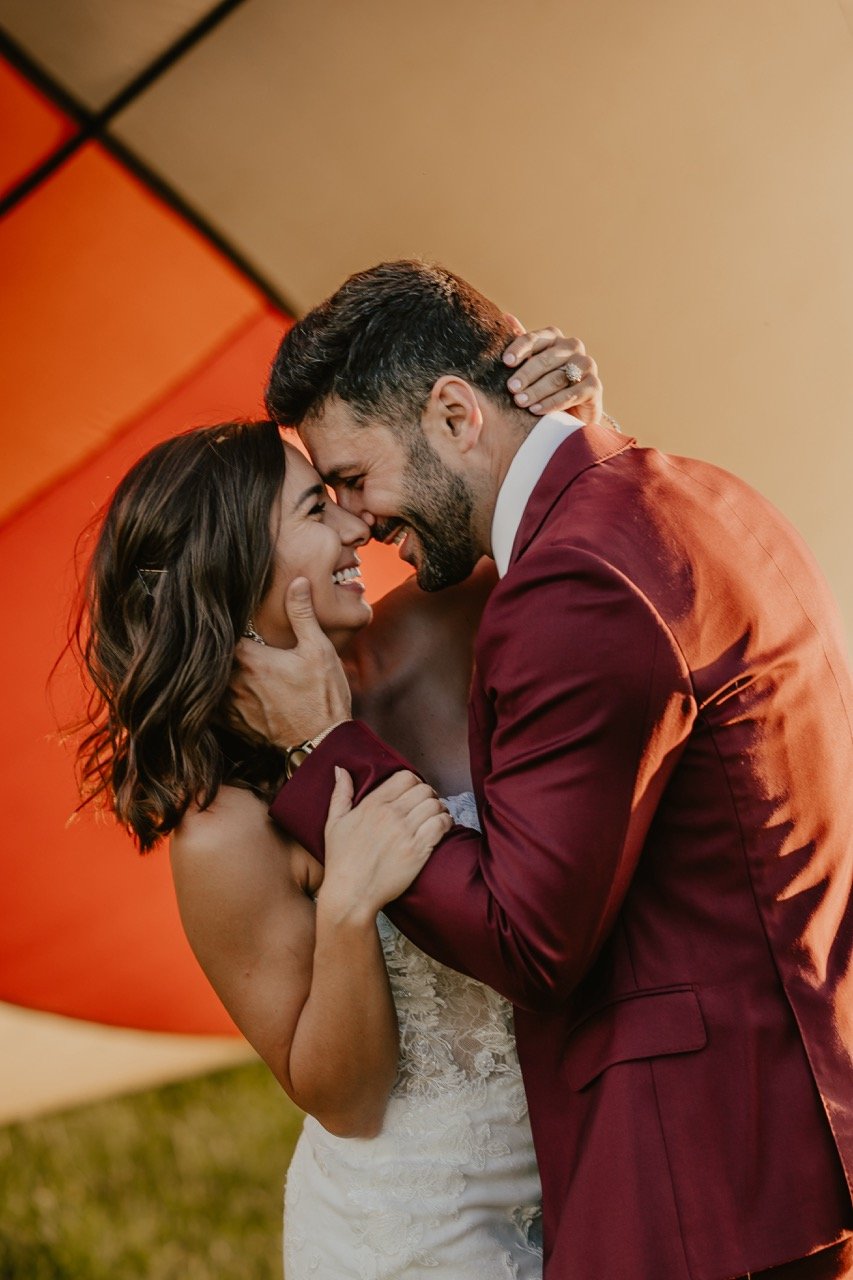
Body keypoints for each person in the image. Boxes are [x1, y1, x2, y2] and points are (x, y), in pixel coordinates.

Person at [231, 260, 853, 1280]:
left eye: (352, 477)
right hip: (777, 1130)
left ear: (453, 414)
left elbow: (529, 940)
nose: (359, 519)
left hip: (694, 1178)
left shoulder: (574, 581)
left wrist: (320, 745)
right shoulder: (696, 491)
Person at [74, 331, 597, 1278]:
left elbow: (571, 539)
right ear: (235, 563)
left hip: (584, 1174)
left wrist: (561, 420)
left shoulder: (434, 629)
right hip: (413, 1236)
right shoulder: (222, 825)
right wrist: (349, 907)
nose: (360, 526)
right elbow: (345, 1101)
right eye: (319, 507)